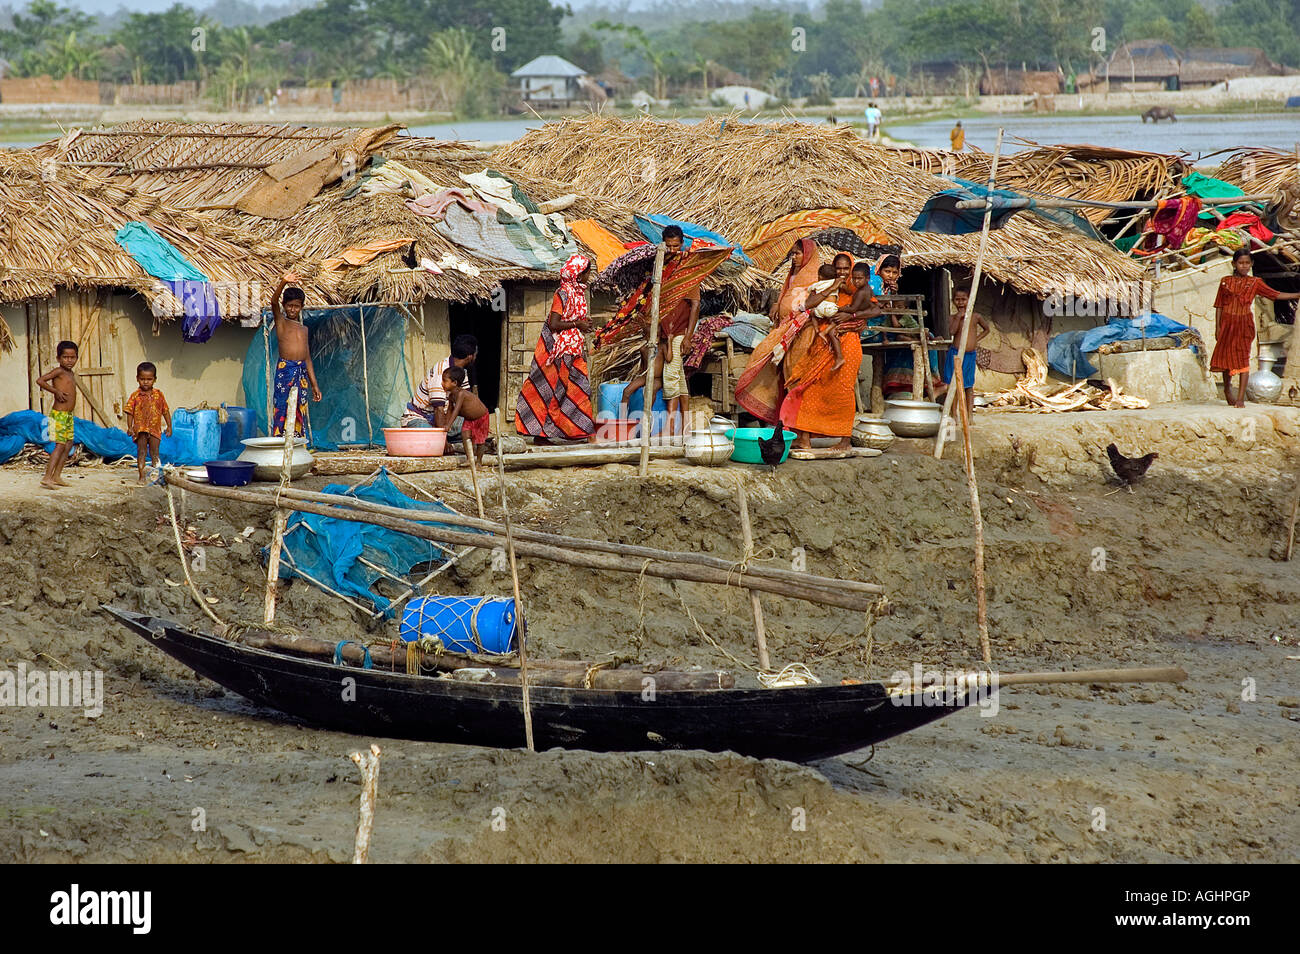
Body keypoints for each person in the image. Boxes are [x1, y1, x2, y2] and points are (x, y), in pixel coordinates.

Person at [781, 265, 881, 455]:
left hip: (848, 344)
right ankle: (805, 438)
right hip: (822, 345)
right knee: (810, 389)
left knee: (843, 391)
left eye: (845, 268)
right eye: (839, 269)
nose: (842, 272)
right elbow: (809, 305)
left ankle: (844, 440)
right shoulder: (825, 287)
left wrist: (851, 315)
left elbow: (876, 311)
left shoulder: (856, 290)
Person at [623, 225, 700, 435]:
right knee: (679, 380)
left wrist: (688, 337)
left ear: (682, 244)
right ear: (663, 244)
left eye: (676, 246)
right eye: (669, 246)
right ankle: (685, 427)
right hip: (669, 332)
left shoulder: (686, 270)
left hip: (681, 332)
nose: (673, 250)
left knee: (672, 380)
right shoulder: (660, 269)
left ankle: (670, 428)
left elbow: (695, 305)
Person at [736, 238, 823, 424]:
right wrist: (777, 304)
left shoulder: (815, 277)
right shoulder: (792, 275)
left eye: (798, 254)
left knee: (795, 373)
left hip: (802, 332)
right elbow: (787, 294)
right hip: (785, 330)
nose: (794, 258)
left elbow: (814, 302)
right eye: (792, 254)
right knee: (777, 367)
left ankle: (797, 422)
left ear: (807, 255)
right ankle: (781, 417)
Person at [515, 253, 597, 442]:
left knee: (578, 389)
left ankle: (582, 433)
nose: (588, 276)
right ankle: (542, 433)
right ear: (578, 273)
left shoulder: (578, 293)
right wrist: (578, 324)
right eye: (587, 273)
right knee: (552, 390)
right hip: (559, 349)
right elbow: (554, 323)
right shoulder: (563, 293)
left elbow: (573, 320)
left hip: (574, 348)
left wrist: (583, 323)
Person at [1212, 248, 1300, 407]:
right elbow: (1219, 305)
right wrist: (1217, 327)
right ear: (1234, 264)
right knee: (1226, 359)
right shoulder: (1225, 281)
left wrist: (1296, 295)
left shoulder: (1255, 282)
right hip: (1227, 324)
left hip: (1244, 325)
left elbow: (1275, 294)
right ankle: (1227, 389)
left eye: (1247, 263)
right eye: (1241, 263)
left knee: (1243, 358)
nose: (1244, 266)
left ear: (1251, 264)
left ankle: (1240, 398)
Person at [269, 271, 321, 437]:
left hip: (301, 372)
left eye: (296, 306)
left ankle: (296, 440)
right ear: (284, 305)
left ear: (301, 307)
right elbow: (273, 302)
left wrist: (314, 384)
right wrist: (283, 281)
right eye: (289, 305)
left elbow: (307, 358)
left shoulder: (304, 329)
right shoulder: (281, 322)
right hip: (286, 370)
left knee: (300, 406)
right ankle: (279, 439)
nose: (292, 309)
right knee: (282, 405)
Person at [403, 334, 478, 437]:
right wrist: (443, 439)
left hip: (441, 420)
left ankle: (442, 437)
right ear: (470, 357)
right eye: (475, 354)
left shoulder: (462, 373)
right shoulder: (441, 373)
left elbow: (465, 401)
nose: (476, 357)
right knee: (432, 436)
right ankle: (442, 439)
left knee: (474, 428)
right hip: (419, 418)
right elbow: (439, 409)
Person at [942, 286, 991, 418]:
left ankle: (969, 416)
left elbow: (987, 329)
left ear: (970, 300)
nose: (961, 302)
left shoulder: (975, 317)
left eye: (964, 299)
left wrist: (976, 340)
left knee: (968, 386)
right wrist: (958, 318)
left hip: (969, 355)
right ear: (953, 301)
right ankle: (954, 415)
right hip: (955, 354)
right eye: (957, 300)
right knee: (954, 385)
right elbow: (952, 332)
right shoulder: (952, 318)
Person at [36, 340, 78, 490]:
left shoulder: (71, 373)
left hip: (68, 415)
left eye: (72, 357)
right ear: (58, 358)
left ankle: (57, 476)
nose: (69, 360)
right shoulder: (58, 371)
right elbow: (40, 380)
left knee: (68, 444)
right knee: (60, 446)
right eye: (65, 357)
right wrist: (56, 391)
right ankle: (47, 477)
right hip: (58, 415)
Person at [124, 361, 172, 485]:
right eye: (142, 379)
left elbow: (165, 411)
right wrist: (129, 427)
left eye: (149, 379)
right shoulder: (135, 396)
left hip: (155, 429)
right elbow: (130, 412)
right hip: (140, 429)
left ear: (154, 379)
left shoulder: (159, 395)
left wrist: (169, 426)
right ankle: (141, 476)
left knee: (155, 452)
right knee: (141, 451)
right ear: (137, 379)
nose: (145, 382)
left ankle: (157, 475)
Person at [438, 366, 491, 464]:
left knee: (480, 441)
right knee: (465, 435)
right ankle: (469, 459)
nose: (442, 383)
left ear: (454, 383)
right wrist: (445, 424)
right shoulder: (451, 396)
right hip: (469, 419)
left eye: (445, 381)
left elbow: (456, 410)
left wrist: (449, 425)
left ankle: (479, 462)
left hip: (481, 417)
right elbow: (450, 410)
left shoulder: (461, 394)